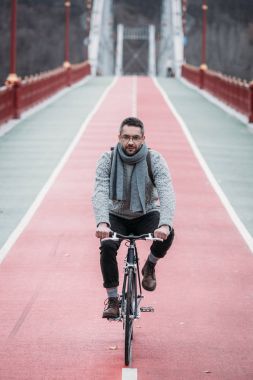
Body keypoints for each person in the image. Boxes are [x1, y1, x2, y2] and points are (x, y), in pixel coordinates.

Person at [92, 117, 175, 319]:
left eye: (136, 138)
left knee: (170, 233)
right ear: (119, 137)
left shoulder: (154, 159)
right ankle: (112, 299)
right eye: (126, 137)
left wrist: (164, 225)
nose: (131, 142)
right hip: (116, 215)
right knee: (108, 246)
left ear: (143, 138)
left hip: (145, 213)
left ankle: (150, 265)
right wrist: (102, 221)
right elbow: (100, 191)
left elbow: (166, 192)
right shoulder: (107, 159)